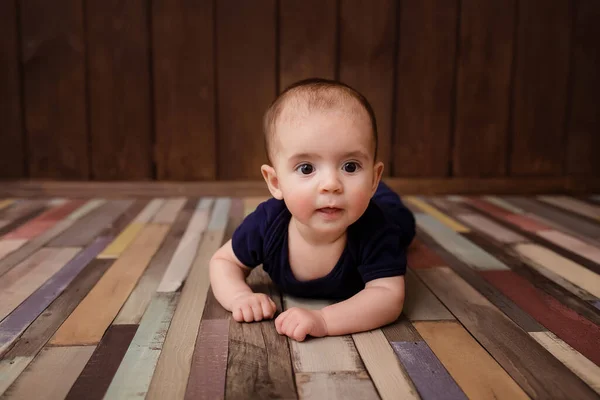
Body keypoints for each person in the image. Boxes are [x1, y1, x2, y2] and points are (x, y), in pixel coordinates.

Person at [209, 78, 416, 342]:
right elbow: (224, 261)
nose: (331, 184)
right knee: (361, 196)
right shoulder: (267, 223)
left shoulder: (378, 229)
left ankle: (378, 192)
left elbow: (388, 296)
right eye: (306, 168)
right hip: (359, 197)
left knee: (402, 224)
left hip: (383, 211)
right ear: (275, 182)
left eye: (350, 166)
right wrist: (239, 296)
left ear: (374, 178)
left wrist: (323, 320)